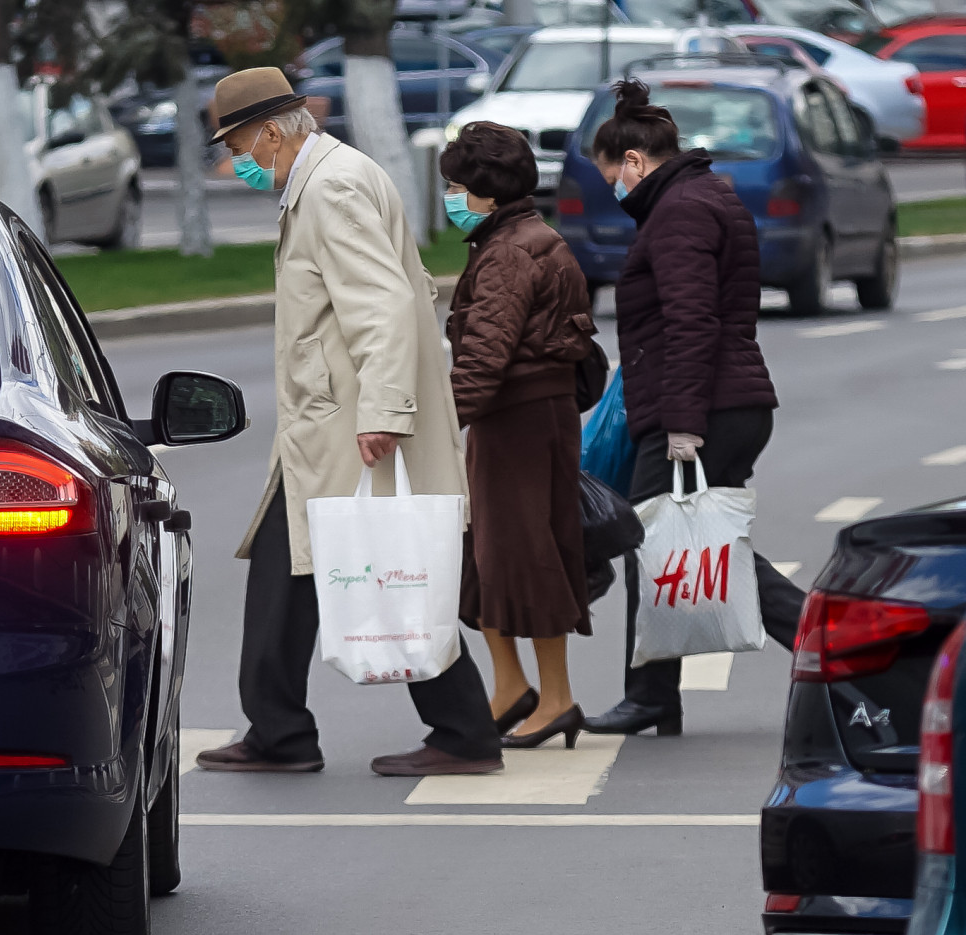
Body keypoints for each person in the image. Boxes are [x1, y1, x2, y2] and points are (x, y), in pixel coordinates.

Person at [193, 68, 504, 777]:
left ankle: (458, 732)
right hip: (329, 423)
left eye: (239, 143)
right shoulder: (331, 177)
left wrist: (384, 413)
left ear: (272, 133)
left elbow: (385, 305)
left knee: (382, 569)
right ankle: (281, 731)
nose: (235, 160)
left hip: (348, 424)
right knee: (297, 567)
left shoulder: (329, 187)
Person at [585, 79, 806, 737]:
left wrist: (681, 421)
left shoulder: (680, 211)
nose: (612, 192)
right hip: (723, 402)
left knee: (654, 541)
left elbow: (692, 321)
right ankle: (835, 645)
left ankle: (652, 694)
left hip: (704, 410)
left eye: (611, 178)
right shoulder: (699, 197)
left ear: (633, 161)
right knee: (702, 544)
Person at [440, 121, 597, 750]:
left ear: (485, 191)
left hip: (519, 422)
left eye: (456, 187)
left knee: (528, 557)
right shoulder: (524, 237)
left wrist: (433, 423)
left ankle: (556, 698)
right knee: (489, 559)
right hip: (530, 416)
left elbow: (486, 356)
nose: (451, 198)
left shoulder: (508, 251)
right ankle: (512, 687)